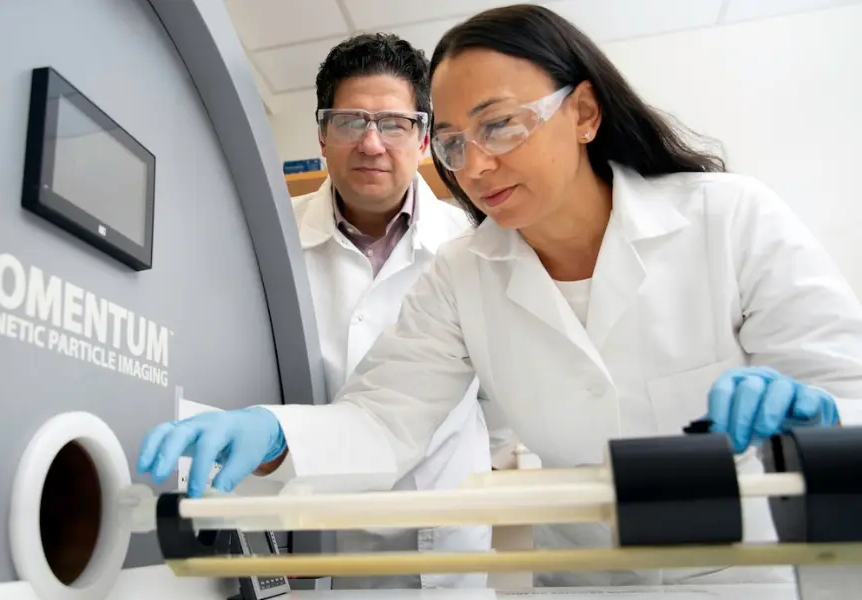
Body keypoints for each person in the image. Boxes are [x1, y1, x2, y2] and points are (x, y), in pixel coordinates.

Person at [138, 4, 862, 588]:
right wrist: (273, 432)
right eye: (453, 142)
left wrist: (820, 415)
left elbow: (846, 384)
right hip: (582, 570)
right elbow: (385, 421)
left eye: (499, 125)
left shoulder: (729, 216)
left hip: (735, 570)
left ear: (583, 112)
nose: (475, 165)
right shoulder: (462, 273)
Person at [158, 33, 497, 590]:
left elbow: (500, 404)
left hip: (440, 544)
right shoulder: (264, 241)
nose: (371, 144)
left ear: (424, 138)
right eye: (348, 121)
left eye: (392, 123)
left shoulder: (474, 244)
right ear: (320, 132)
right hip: (310, 536)